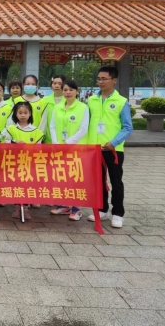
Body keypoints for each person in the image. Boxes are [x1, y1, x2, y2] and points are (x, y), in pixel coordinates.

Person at [87, 66, 133, 229]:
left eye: (104, 79)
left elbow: (128, 127)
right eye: (99, 79)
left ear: (114, 80)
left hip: (113, 150)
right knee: (98, 181)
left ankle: (118, 213)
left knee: (116, 181)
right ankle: (102, 209)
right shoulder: (91, 100)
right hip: (95, 149)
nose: (100, 82)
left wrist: (114, 142)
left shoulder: (121, 102)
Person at [49, 80, 89, 221]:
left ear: (77, 91)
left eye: (71, 90)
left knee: (75, 178)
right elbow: (52, 126)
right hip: (60, 148)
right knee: (62, 177)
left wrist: (68, 143)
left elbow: (83, 129)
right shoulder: (58, 107)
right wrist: (55, 142)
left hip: (76, 149)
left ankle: (77, 209)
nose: (68, 92)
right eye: (65, 90)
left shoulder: (83, 107)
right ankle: (63, 205)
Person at [3, 101, 44, 221]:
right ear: (15, 114)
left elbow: (39, 148)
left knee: (27, 185)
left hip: (29, 163)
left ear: (30, 114)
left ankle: (25, 207)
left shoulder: (36, 131)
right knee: (16, 184)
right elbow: (5, 143)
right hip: (14, 162)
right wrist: (14, 143)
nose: (23, 115)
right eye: (20, 112)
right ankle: (17, 207)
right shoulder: (10, 129)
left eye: (25, 112)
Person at [42, 75, 66, 144]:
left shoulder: (68, 101)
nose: (57, 86)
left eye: (60, 84)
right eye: (54, 83)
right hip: (48, 139)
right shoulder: (44, 100)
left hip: (65, 139)